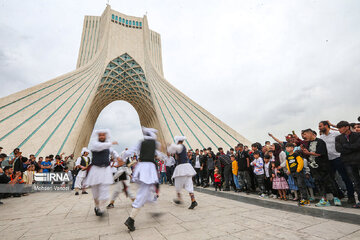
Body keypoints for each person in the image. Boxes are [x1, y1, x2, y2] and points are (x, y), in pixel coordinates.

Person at [123, 127, 162, 232]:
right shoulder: (155, 144)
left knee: (149, 193)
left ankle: (155, 211)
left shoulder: (141, 142)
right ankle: (130, 219)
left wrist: (122, 157)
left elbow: (131, 150)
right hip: (148, 169)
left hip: (142, 168)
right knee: (143, 193)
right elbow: (159, 155)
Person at [302, 129, 341, 207]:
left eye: (305, 134)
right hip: (313, 167)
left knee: (329, 182)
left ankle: (337, 198)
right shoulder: (308, 143)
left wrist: (309, 152)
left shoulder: (320, 141)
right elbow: (307, 156)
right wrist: (304, 152)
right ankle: (324, 199)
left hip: (323, 166)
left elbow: (320, 153)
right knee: (319, 183)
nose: (303, 136)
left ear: (311, 133)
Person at [84, 129, 118, 217]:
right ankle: (96, 207)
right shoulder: (95, 144)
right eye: (100, 135)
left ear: (105, 136)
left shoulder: (108, 146)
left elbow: (113, 153)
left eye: (103, 135)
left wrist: (118, 158)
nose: (101, 137)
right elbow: (100, 147)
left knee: (105, 193)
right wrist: (111, 143)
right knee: (95, 193)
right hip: (95, 170)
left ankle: (101, 209)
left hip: (105, 170)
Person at [319, 121, 354, 204]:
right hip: (329, 160)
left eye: (320, 126)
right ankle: (339, 194)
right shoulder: (322, 137)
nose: (319, 128)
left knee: (345, 177)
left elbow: (348, 133)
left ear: (326, 126)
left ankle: (351, 196)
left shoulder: (335, 134)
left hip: (338, 158)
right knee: (331, 179)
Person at [168, 136, 198, 209]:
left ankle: (179, 198)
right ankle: (193, 200)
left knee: (178, 184)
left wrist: (168, 145)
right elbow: (171, 151)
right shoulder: (182, 147)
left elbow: (171, 149)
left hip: (182, 168)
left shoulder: (180, 146)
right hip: (187, 168)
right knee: (189, 185)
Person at [335, 121, 360, 208]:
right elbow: (338, 149)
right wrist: (351, 147)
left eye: (340, 128)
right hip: (348, 162)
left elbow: (358, 145)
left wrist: (346, 146)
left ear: (346, 127)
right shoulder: (338, 138)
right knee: (355, 182)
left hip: (358, 160)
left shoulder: (357, 135)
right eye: (338, 128)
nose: (339, 130)